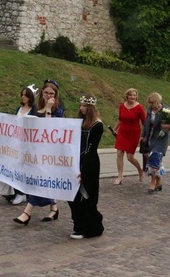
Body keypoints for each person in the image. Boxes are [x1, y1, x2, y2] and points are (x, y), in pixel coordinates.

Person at [13, 81, 65, 225]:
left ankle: (26, 213)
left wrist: (49, 108)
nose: (48, 95)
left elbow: (51, 129)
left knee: (40, 181)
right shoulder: (36, 107)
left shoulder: (58, 109)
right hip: (35, 150)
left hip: (50, 151)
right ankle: (54, 208)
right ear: (42, 92)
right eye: (46, 92)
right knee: (37, 180)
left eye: (52, 93)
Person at [68, 94, 104, 239]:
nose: (82, 109)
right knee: (73, 196)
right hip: (76, 160)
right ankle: (78, 224)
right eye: (81, 106)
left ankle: (90, 227)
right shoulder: (79, 122)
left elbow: (89, 149)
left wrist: (83, 168)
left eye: (85, 106)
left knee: (87, 196)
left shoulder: (97, 125)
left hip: (89, 163)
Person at [0, 86, 37, 204]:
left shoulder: (34, 110)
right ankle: (11, 191)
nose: (23, 97)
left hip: (26, 143)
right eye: (22, 95)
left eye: (25, 95)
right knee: (12, 166)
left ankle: (21, 193)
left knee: (21, 168)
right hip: (15, 142)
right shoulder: (19, 108)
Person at [141, 92, 170, 193]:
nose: (151, 105)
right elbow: (146, 124)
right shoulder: (149, 111)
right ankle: (159, 182)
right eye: (150, 103)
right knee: (156, 161)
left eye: (152, 102)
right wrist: (143, 135)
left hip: (161, 139)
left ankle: (152, 182)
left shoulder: (165, 110)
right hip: (150, 138)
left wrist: (168, 126)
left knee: (154, 158)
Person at [113, 88, 146, 184]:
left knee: (130, 157)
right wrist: (115, 129)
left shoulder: (139, 107)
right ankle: (120, 176)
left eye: (134, 95)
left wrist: (144, 135)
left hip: (133, 133)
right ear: (127, 96)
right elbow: (120, 119)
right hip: (122, 132)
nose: (132, 97)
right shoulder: (122, 106)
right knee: (119, 153)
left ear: (136, 97)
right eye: (130, 95)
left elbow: (144, 122)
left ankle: (140, 170)